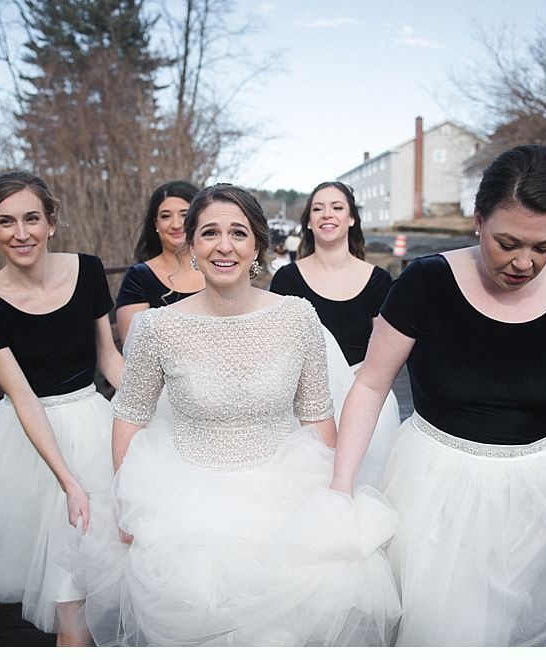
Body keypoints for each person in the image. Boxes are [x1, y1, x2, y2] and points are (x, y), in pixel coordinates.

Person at [330, 145, 546, 646]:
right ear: (478, 221)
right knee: (445, 626)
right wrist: (341, 490)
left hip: (540, 494)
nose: (523, 263)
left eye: (544, 247)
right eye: (507, 242)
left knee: (503, 627)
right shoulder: (424, 282)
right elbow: (372, 385)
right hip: (434, 484)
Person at [83, 183, 401, 646]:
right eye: (210, 233)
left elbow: (316, 415)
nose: (224, 245)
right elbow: (129, 416)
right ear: (192, 245)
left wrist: (333, 502)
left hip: (283, 492)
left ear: (257, 246)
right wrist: (124, 505)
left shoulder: (297, 316)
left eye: (238, 233)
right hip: (183, 501)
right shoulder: (157, 327)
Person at [0, 171, 126, 646]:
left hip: (94, 421)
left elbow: (109, 359)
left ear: (51, 222)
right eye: (6, 223)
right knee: (71, 601)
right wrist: (69, 483)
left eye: (32, 219)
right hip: (32, 447)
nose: (21, 233)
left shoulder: (88, 269)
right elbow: (21, 397)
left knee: (112, 583)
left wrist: (152, 416)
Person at [270, 181, 399, 486]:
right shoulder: (287, 279)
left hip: (363, 400)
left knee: (366, 484)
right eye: (318, 208)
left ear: (351, 218)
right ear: (309, 223)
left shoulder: (378, 280)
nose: (327, 214)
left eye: (337, 207)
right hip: (301, 402)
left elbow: (385, 356)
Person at [115, 181, 204, 346]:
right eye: (165, 216)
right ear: (156, 223)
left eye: (184, 214)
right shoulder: (139, 277)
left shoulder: (218, 268)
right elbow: (134, 350)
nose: (176, 224)